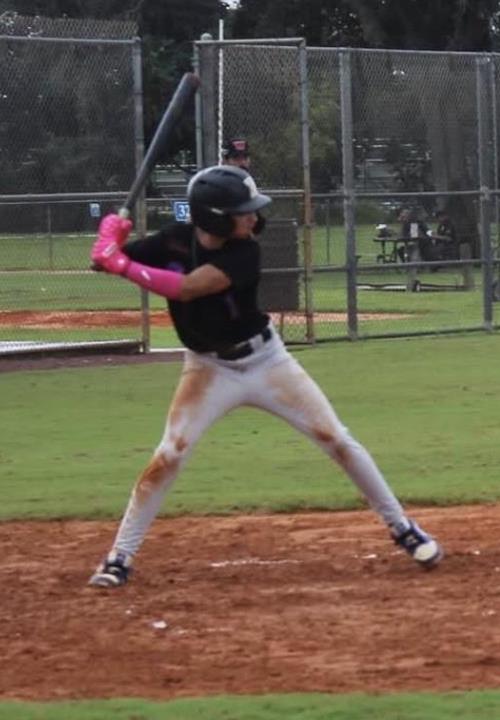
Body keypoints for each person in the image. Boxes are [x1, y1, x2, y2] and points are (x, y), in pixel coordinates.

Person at [88, 165, 443, 588]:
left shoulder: (245, 252)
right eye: (243, 211)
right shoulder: (172, 240)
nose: (253, 217)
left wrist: (119, 262)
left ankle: (403, 527)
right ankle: (119, 557)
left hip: (267, 363)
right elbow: (104, 263)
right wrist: (110, 242)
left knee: (335, 438)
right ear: (215, 218)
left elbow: (187, 287)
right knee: (171, 453)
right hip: (207, 369)